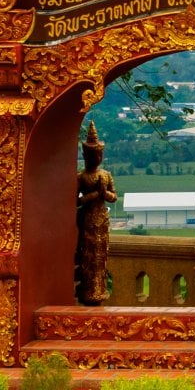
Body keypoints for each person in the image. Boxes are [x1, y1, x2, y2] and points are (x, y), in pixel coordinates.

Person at [75, 122, 118, 305]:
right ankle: (87, 290)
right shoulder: (81, 176)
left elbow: (113, 197)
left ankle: (100, 289)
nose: (97, 158)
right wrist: (94, 195)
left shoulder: (106, 175)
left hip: (102, 219)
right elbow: (76, 201)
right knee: (89, 256)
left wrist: (104, 193)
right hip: (87, 219)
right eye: (93, 155)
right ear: (86, 156)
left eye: (99, 155)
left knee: (101, 256)